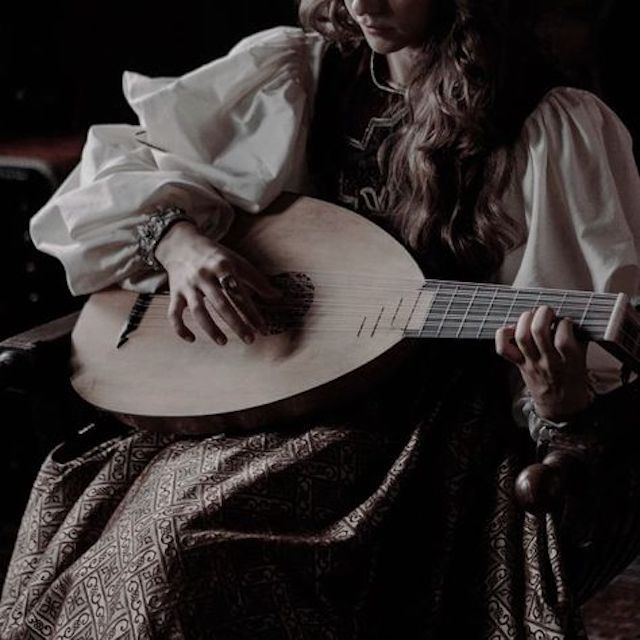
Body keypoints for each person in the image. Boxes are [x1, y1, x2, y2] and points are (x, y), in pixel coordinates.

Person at [2, 0, 640, 637]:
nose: (363, 5)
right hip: (273, 384)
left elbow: (579, 351)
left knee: (181, 556)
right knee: (97, 531)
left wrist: (559, 396)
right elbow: (112, 172)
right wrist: (178, 242)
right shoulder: (302, 72)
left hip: (417, 429)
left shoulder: (542, 121)